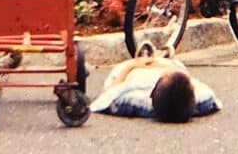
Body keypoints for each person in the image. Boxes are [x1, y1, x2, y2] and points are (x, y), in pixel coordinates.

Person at [90, 42, 221, 122]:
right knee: (178, 69)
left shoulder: (133, 98)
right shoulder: (204, 99)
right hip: (168, 73)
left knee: (118, 75)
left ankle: (146, 59)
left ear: (151, 94)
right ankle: (162, 60)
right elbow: (211, 98)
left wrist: (132, 66)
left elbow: (109, 94)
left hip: (139, 75)